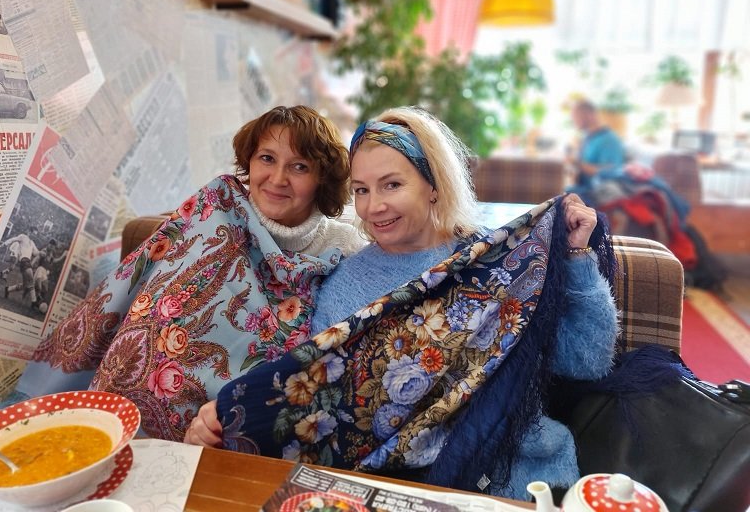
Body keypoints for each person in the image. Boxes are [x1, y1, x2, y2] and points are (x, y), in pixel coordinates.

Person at [185, 107, 619, 502]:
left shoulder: (496, 263)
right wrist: (229, 416)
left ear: (433, 185)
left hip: (521, 475)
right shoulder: (342, 287)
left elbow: (588, 360)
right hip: (400, 488)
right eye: (362, 190)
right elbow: (316, 404)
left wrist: (577, 257)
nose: (374, 207)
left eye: (392, 184)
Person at [7, 105, 367, 441]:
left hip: (231, 414)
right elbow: (152, 283)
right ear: (249, 161)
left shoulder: (343, 246)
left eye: (299, 166)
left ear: (322, 178)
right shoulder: (218, 205)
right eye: (267, 158)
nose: (277, 178)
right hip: (136, 388)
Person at [567, 98, 626, 192]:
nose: (573, 120)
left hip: (598, 193)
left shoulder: (609, 140)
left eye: (575, 116)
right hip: (583, 188)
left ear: (589, 115)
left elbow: (610, 173)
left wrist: (576, 163)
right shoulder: (588, 136)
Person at [0, 226, 41, 306]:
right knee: (31, 280)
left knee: (26, 285)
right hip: (24, 261)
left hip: (27, 262)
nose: (34, 236)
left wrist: (42, 252)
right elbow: (12, 239)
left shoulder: (32, 243)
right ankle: (34, 302)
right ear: (29, 232)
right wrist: (3, 245)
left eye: (35, 234)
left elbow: (36, 253)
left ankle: (8, 289)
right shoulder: (23, 237)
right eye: (33, 233)